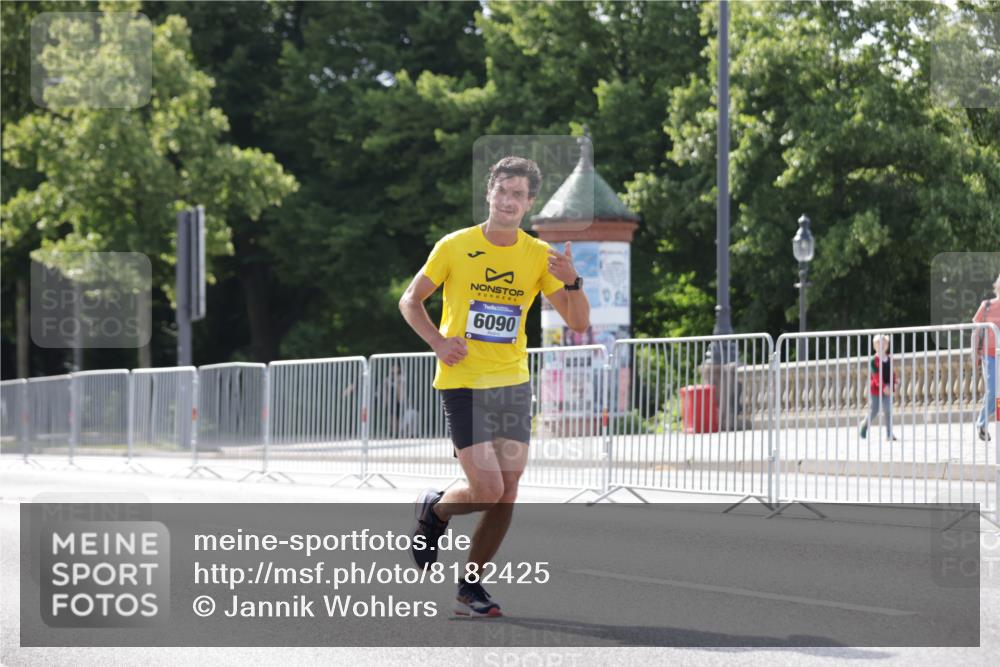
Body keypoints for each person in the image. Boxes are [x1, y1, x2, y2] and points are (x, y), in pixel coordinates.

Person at [398, 155, 590, 617]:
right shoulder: (455, 246)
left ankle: (471, 587)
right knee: (484, 488)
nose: (508, 201)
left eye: (518, 194)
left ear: (529, 203)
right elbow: (411, 300)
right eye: (502, 191)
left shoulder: (537, 256)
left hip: (511, 383)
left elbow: (579, 322)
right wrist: (438, 342)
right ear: (489, 193)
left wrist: (574, 281)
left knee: (508, 490)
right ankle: (437, 510)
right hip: (463, 380)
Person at [972, 273, 1000, 442]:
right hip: (989, 356)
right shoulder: (987, 306)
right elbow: (975, 332)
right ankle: (982, 423)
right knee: (992, 391)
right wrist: (973, 354)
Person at [859, 334, 898, 442]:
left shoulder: (889, 358)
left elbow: (892, 373)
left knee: (888, 410)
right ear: (874, 345)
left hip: (888, 388)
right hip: (876, 389)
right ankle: (864, 425)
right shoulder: (873, 360)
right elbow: (876, 377)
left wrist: (894, 383)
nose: (882, 345)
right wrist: (883, 387)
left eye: (884, 343)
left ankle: (889, 434)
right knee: (874, 411)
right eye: (878, 343)